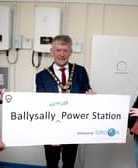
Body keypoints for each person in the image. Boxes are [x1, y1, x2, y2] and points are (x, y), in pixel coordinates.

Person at [36, 35, 93, 168]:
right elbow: (40, 103)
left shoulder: (80, 71)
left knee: (69, 163)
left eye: (65, 50)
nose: (62, 54)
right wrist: (52, 131)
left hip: (73, 126)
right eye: (58, 50)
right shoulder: (41, 76)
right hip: (50, 127)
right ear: (52, 51)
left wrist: (91, 96)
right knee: (51, 163)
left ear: (70, 52)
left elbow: (87, 92)